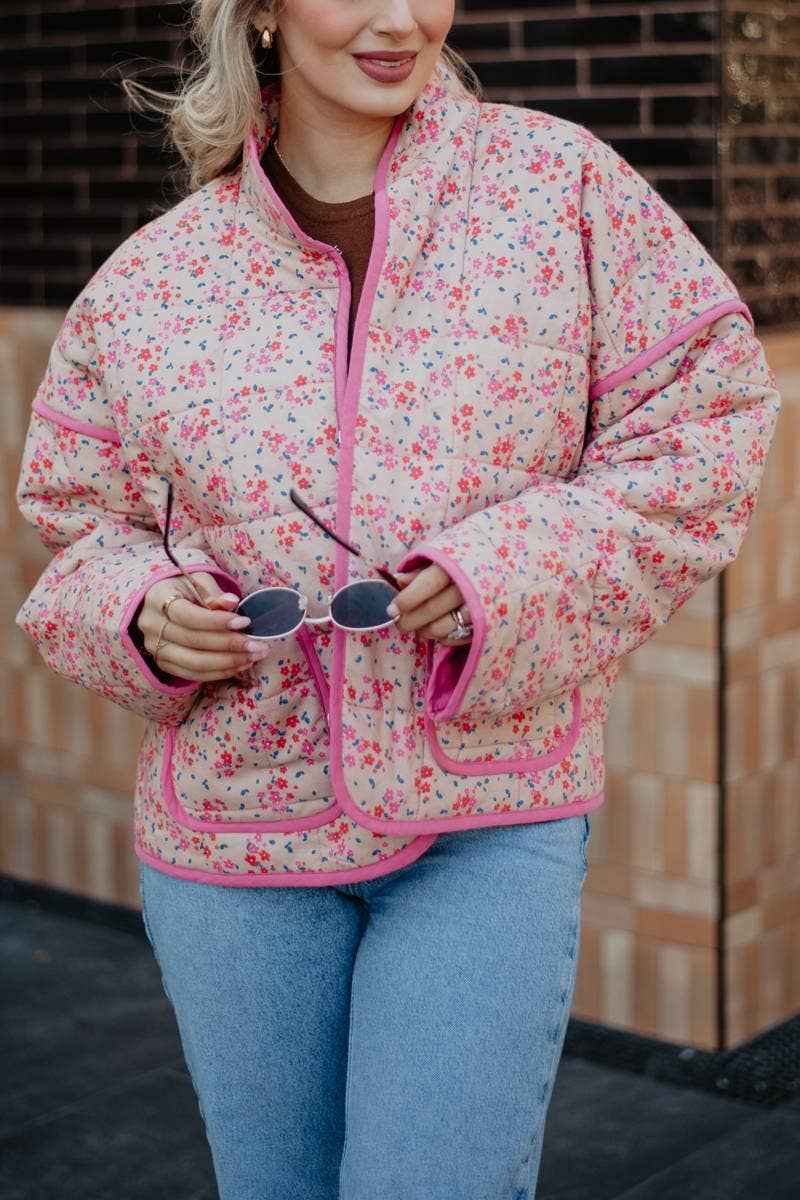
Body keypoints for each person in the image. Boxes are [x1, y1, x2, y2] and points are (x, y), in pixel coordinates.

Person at [15, 2, 780, 1197]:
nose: (398, 16)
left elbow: (702, 427)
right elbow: (81, 525)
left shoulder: (559, 188)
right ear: (262, 11)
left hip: (486, 815)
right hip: (232, 833)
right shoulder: (152, 278)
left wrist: (504, 573)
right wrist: (142, 611)